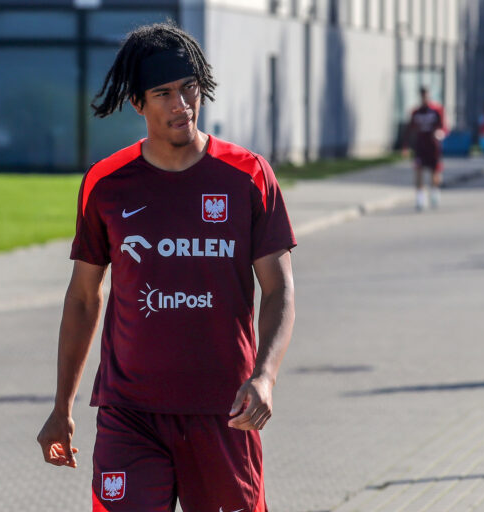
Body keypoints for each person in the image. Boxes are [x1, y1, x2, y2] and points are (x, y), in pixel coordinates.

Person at [36, 22, 296, 512]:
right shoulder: (107, 184)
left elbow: (279, 290)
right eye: (164, 93)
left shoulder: (248, 176)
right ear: (138, 103)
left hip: (225, 411)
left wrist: (265, 377)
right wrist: (61, 406)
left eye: (189, 88)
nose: (182, 104)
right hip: (129, 413)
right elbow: (83, 297)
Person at [402, 86, 448, 211]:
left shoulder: (437, 110)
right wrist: (405, 146)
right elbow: (409, 129)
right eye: (423, 96)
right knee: (418, 171)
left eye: (427, 96)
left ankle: (434, 191)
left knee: (435, 172)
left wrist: (441, 133)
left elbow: (444, 127)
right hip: (420, 147)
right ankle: (420, 198)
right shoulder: (416, 112)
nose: (425, 98)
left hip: (433, 147)